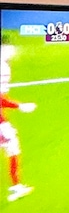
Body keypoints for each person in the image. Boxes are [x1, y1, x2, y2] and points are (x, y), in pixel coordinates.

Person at [0, 44, 36, 203]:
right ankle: (16, 187)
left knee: (12, 146)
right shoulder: (3, 68)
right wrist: (20, 106)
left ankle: (16, 186)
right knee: (12, 146)